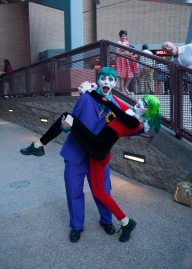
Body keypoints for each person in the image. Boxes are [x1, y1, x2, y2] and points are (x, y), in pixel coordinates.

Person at [20, 67, 132, 243]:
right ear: (98, 80)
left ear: (115, 83)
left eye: (111, 80)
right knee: (74, 191)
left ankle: (106, 220)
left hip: (98, 157)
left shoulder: (117, 107)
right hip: (76, 153)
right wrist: (64, 126)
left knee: (103, 190)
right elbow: (70, 123)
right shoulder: (86, 98)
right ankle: (76, 226)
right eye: (104, 78)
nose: (107, 82)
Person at [60, 88, 161, 242]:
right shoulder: (130, 112)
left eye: (145, 104)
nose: (139, 103)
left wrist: (101, 97)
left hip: (99, 154)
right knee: (88, 192)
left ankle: (122, 221)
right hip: (91, 151)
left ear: (149, 111)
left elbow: (116, 108)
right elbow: (114, 100)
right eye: (141, 100)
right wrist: (94, 91)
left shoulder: (136, 123)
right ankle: (121, 222)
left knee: (101, 192)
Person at [162, 41, 192, 135]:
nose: (166, 48)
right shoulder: (173, 62)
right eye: (164, 49)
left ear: (174, 44)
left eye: (167, 46)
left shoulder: (189, 48)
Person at [115, 30, 133, 95]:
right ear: (120, 36)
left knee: (130, 75)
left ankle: (125, 88)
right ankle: (122, 89)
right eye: (122, 36)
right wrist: (124, 53)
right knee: (122, 76)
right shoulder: (118, 42)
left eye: (125, 36)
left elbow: (128, 51)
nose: (124, 37)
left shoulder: (127, 43)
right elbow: (117, 52)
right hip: (120, 60)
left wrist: (129, 54)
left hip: (127, 60)